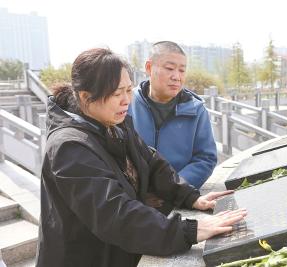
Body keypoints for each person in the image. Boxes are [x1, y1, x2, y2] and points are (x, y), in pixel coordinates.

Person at [36, 48, 246, 267]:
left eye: (129, 90)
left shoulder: (115, 124)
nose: (126, 100)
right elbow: (114, 214)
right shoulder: (69, 147)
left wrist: (189, 196)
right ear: (85, 97)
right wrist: (190, 230)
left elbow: (150, 161)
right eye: (117, 94)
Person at [128, 41, 217, 189]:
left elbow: (205, 158)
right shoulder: (127, 103)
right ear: (149, 68)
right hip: (133, 197)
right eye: (169, 68)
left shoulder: (196, 110)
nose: (176, 77)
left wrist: (172, 188)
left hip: (177, 196)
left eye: (182, 70)